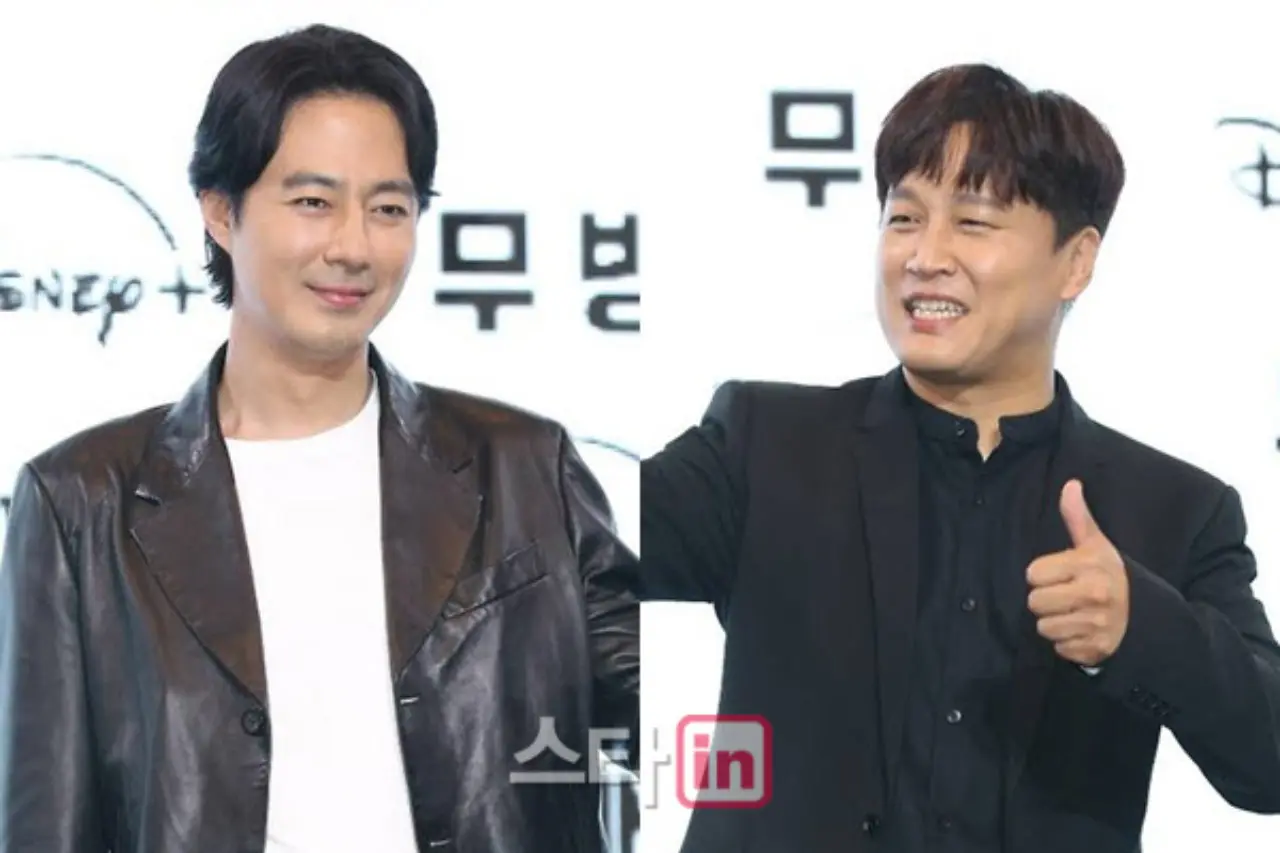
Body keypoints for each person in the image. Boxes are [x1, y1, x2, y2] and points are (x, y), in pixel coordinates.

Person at [0, 24, 638, 853]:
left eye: (388, 208)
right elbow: (46, 825)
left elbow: (666, 709)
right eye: (313, 202)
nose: (353, 246)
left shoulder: (525, 466)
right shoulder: (81, 501)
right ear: (221, 211)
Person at [640, 63, 1280, 852]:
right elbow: (566, 547)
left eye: (972, 223)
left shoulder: (1174, 509)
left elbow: (1269, 762)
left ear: (1076, 261)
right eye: (905, 217)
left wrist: (1140, 627)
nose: (925, 255)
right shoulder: (764, 446)